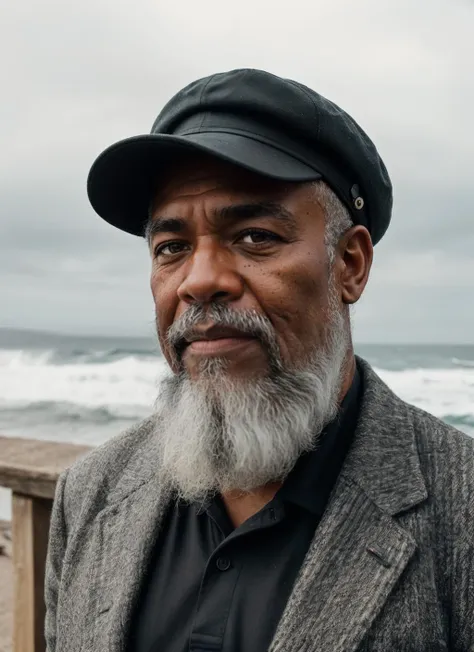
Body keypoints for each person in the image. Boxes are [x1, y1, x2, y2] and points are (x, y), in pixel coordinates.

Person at [44, 69, 474, 652]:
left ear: (349, 265)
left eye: (254, 237)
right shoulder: (89, 494)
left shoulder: (461, 509)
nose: (199, 282)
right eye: (171, 248)